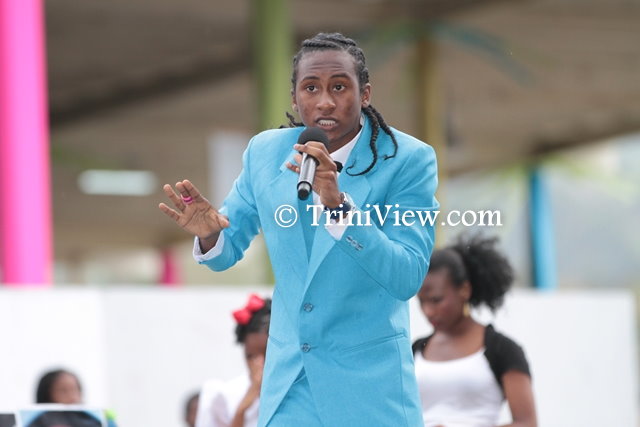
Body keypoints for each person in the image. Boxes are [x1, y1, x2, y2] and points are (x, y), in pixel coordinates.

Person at [160, 32, 438, 426]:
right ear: (294, 98)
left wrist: (340, 209)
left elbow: (406, 275)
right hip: (290, 386)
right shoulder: (265, 153)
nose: (325, 101)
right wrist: (209, 233)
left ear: (365, 94)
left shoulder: (407, 160)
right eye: (311, 88)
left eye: (339, 86)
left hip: (369, 393)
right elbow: (225, 251)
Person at [413, 235, 537, 427]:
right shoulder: (415, 350)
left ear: (464, 290)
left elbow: (527, 422)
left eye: (436, 300)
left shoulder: (502, 350)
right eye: (422, 301)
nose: (428, 311)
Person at [196, 294, 270, 427]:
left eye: (266, 356)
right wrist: (241, 410)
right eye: (250, 356)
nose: (258, 364)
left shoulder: (296, 392)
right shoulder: (224, 395)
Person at [34, 368, 118, 427]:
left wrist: (108, 421)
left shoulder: (92, 418)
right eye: (63, 391)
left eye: (75, 389)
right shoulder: (40, 420)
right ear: (47, 393)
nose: (72, 396)